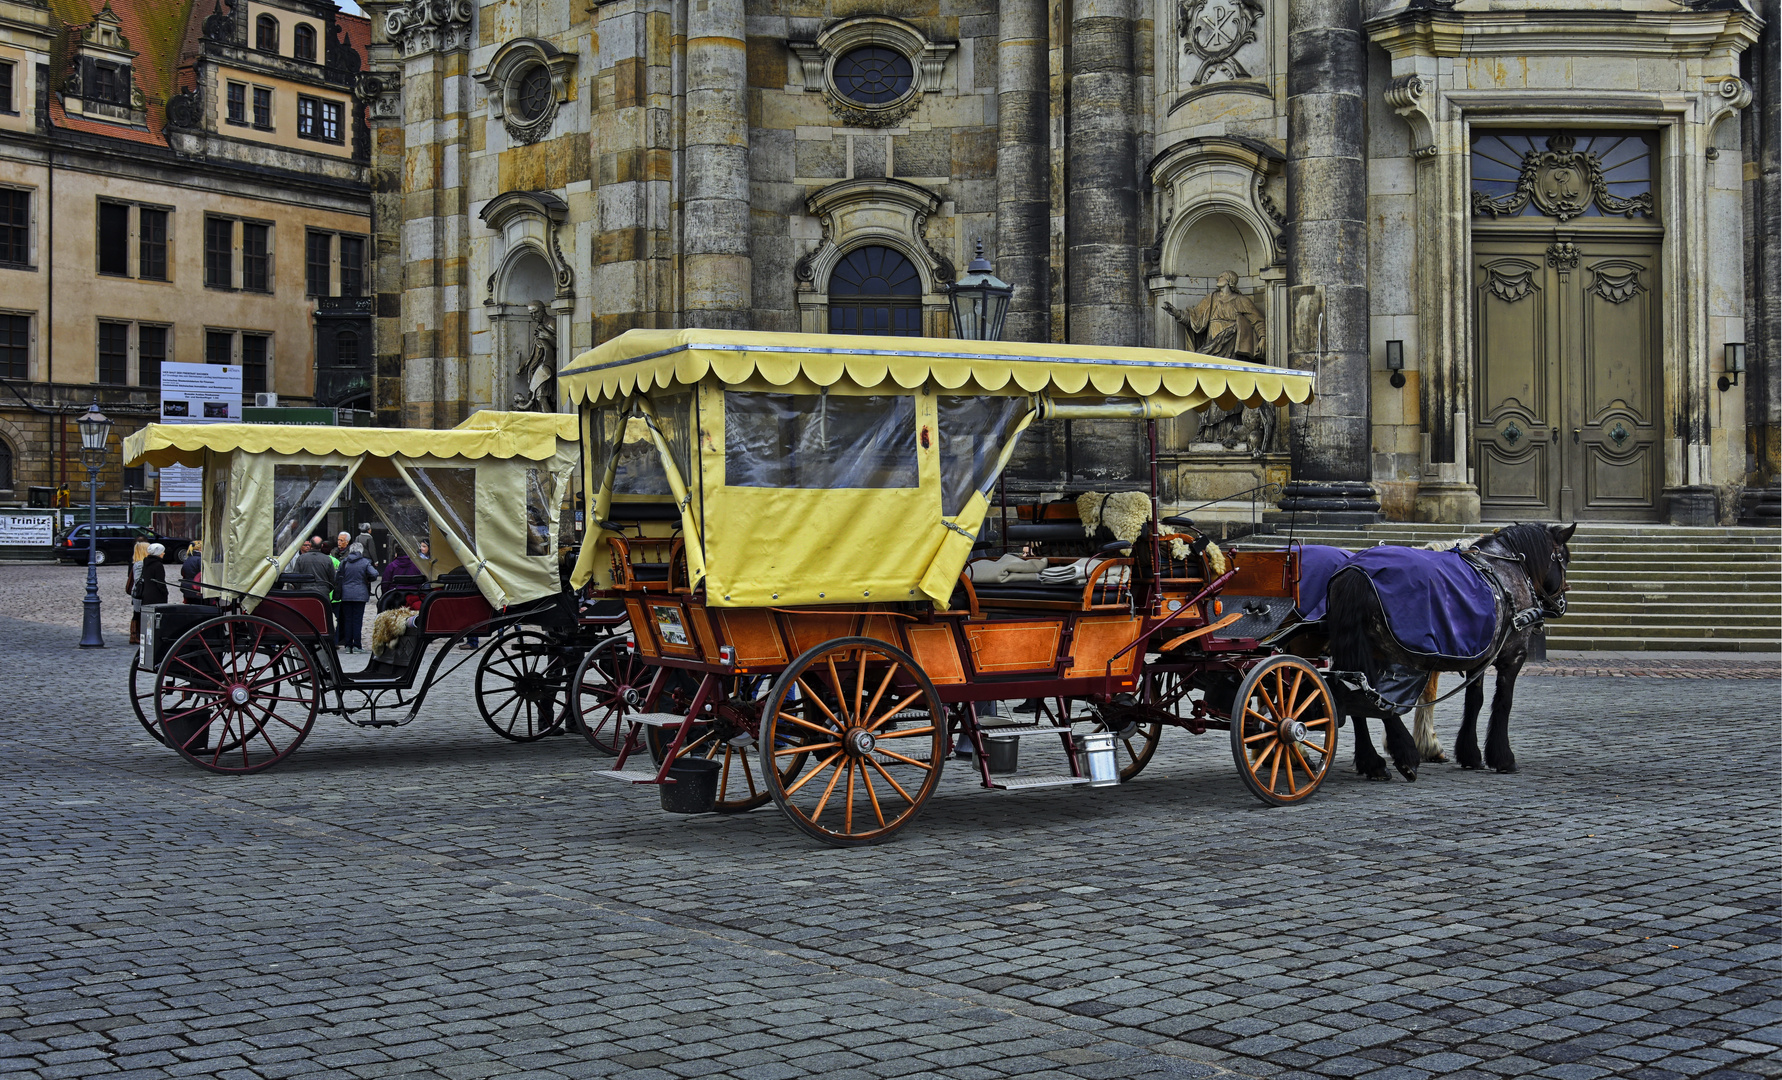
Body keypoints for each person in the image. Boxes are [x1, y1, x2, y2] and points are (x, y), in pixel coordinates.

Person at [335, 543, 378, 653]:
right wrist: (367, 579)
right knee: (357, 620)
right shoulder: (365, 562)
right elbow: (374, 573)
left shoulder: (344, 562)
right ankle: (357, 645)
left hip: (346, 594)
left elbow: (337, 577)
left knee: (348, 619)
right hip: (360, 594)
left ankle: (348, 645)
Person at [126, 540, 150, 644]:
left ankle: (135, 634)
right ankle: (134, 635)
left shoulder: (139, 563)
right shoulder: (140, 564)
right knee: (137, 614)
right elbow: (138, 580)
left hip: (138, 593)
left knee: (137, 613)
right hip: (139, 593)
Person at [133, 544, 169, 609]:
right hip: (157, 596)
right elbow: (160, 582)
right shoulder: (158, 565)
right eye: (162, 551)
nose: (164, 553)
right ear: (158, 553)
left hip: (146, 595)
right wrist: (165, 592)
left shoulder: (146, 563)